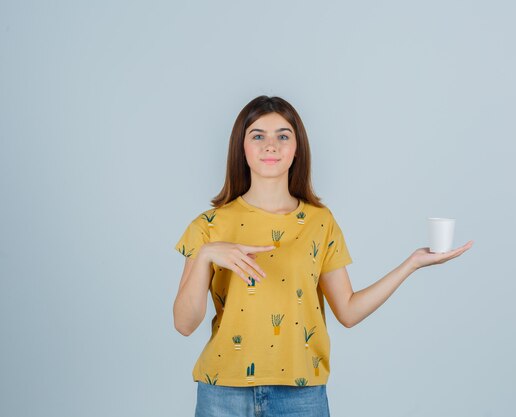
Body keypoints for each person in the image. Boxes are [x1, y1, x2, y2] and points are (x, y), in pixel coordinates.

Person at [173, 95, 473, 417]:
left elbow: (348, 311)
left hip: (301, 397)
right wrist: (205, 256)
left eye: (283, 136)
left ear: (297, 148)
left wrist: (411, 263)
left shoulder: (320, 222)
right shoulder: (209, 226)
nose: (270, 145)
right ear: (241, 148)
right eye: (258, 135)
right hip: (223, 394)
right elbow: (184, 324)